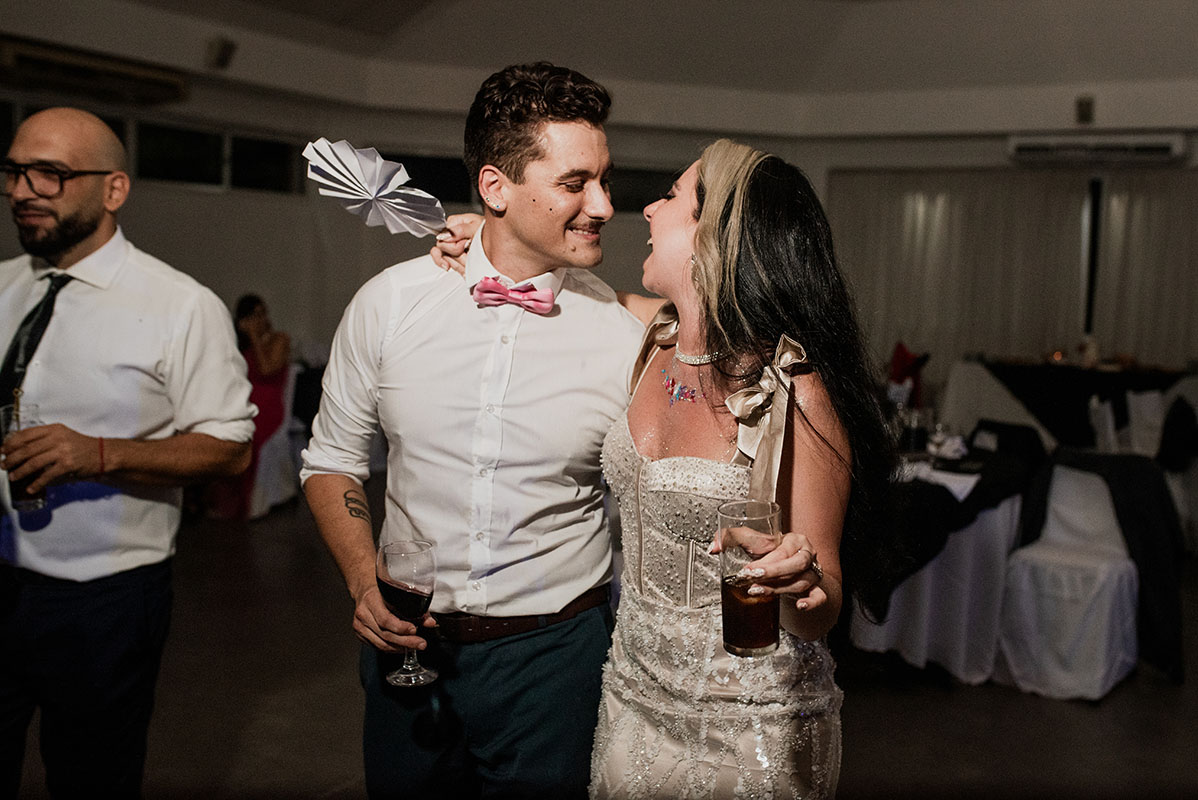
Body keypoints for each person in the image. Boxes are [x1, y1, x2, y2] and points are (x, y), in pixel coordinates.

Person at [434, 139, 894, 798]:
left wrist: (800, 580)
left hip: (744, 727)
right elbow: (544, 285)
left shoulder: (794, 393)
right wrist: (485, 236)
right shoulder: (652, 336)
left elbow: (819, 607)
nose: (647, 208)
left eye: (671, 197)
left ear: (715, 238)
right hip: (630, 695)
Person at [300, 63, 646, 798]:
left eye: (606, 181)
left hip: (555, 657)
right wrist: (364, 580)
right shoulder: (390, 302)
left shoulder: (625, 336)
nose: (605, 206)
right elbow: (331, 460)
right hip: (406, 646)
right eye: (576, 183)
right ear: (495, 188)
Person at [0, 108, 256, 797]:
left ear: (113, 190)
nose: (24, 189)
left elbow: (231, 448)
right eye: (15, 171)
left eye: (50, 174)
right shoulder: (4, 285)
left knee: (91, 777)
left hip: (103, 598)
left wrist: (100, 454)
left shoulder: (180, 305)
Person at [206, 294, 292, 520]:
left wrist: (254, 336)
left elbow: (266, 370)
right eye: (253, 315)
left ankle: (244, 504)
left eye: (262, 313)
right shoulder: (239, 346)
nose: (259, 319)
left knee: (245, 437)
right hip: (242, 402)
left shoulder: (279, 340)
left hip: (268, 406)